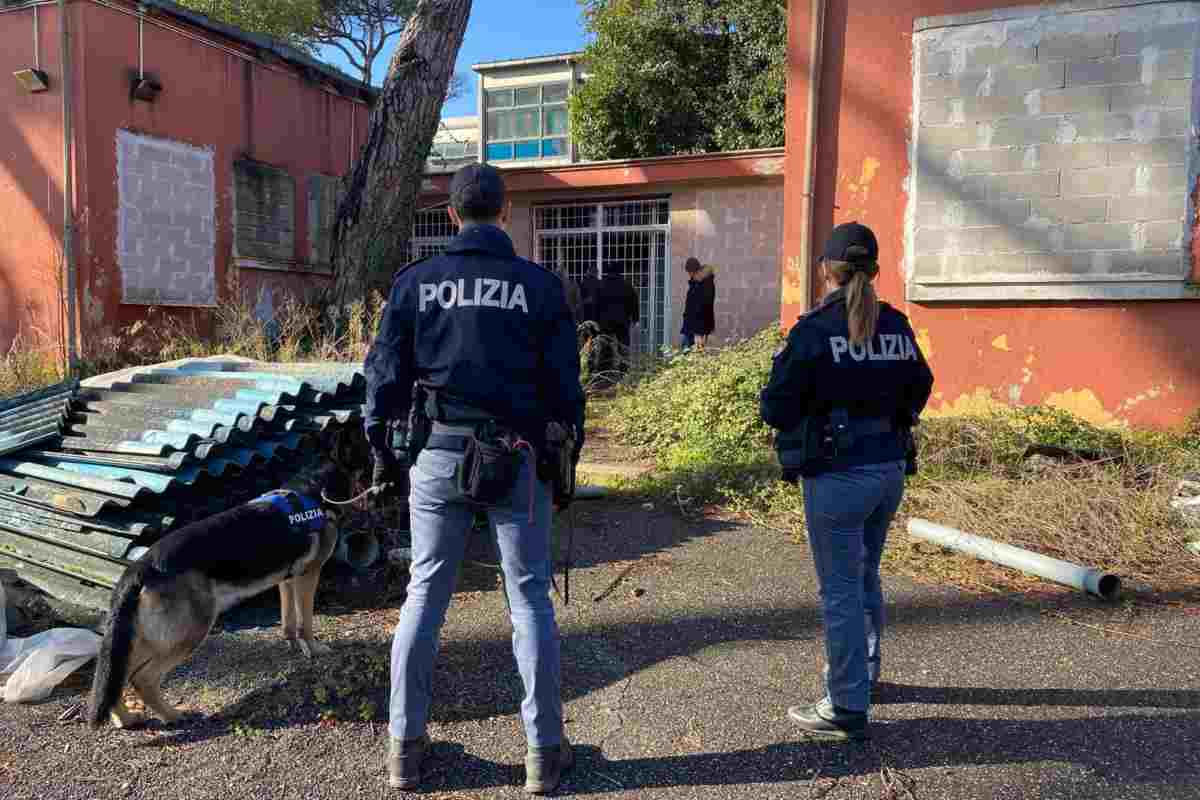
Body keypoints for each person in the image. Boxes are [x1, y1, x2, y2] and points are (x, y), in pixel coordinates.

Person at [364, 163, 586, 794]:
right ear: (505, 210)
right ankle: (543, 753)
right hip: (518, 456)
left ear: (452, 213)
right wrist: (568, 452)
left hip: (437, 453)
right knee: (529, 599)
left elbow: (383, 376)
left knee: (425, 593)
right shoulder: (539, 287)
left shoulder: (417, 282)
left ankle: (404, 751)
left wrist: (382, 447)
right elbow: (566, 390)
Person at [759, 221, 933, 741]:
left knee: (839, 590)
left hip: (837, 476)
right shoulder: (898, 325)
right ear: (874, 270)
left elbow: (775, 406)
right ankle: (866, 675)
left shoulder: (814, 330)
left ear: (827, 271)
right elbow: (921, 387)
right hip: (888, 470)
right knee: (866, 578)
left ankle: (846, 705)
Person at [589, 267, 640, 386]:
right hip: (622, 322)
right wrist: (635, 319)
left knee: (605, 348)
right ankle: (623, 375)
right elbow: (634, 302)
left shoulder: (601, 285)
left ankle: (603, 375)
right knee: (623, 348)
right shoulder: (626, 285)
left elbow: (595, 305)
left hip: (604, 323)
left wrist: (595, 322)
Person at [680, 257, 716, 349]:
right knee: (685, 354)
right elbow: (691, 306)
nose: (689, 275)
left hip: (697, 329)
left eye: (689, 272)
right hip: (689, 327)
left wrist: (698, 332)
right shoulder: (695, 283)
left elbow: (705, 308)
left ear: (693, 271)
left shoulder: (705, 284)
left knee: (693, 355)